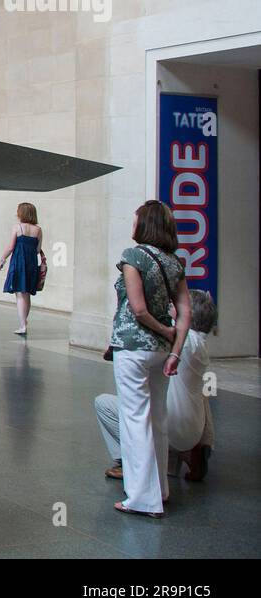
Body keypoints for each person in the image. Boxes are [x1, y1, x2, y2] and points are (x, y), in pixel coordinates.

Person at [108, 199, 190, 518]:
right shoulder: (174, 262)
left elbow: (138, 309)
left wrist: (163, 332)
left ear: (145, 225)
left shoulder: (132, 256)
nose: (132, 225)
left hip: (133, 348)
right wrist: (175, 347)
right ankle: (160, 490)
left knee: (134, 420)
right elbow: (185, 312)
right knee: (157, 419)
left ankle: (142, 497)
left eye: (135, 220)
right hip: (159, 353)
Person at [96, 289, 216, 484]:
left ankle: (128, 462)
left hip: (170, 427)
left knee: (104, 404)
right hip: (194, 431)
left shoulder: (181, 340)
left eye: (178, 305)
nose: (172, 307)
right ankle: (191, 451)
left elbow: (143, 323)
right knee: (198, 392)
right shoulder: (200, 346)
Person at [0, 202, 46, 335]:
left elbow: (11, 247)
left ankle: (23, 325)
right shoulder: (38, 230)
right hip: (31, 263)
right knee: (27, 293)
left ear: (21, 213)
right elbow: (37, 250)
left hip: (19, 262)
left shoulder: (17, 227)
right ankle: (24, 321)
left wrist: (2, 259)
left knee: (20, 294)